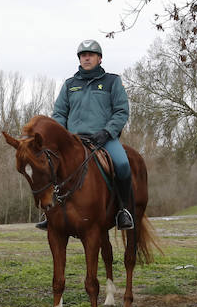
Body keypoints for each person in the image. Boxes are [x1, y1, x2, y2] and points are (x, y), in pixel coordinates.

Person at [37, 39, 133, 231]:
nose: (86, 58)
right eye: (83, 55)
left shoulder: (112, 81)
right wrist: (59, 137)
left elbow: (121, 111)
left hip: (104, 139)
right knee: (49, 165)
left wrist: (107, 132)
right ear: (79, 59)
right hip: (73, 141)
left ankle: (124, 210)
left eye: (90, 55)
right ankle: (50, 213)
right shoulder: (70, 84)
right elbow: (60, 114)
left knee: (122, 164)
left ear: (100, 59)